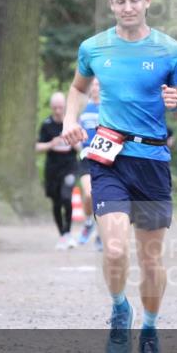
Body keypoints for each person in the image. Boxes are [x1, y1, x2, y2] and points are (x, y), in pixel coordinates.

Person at [61, 0, 177, 353]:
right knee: (116, 249)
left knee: (151, 258)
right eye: (120, 1)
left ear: (148, 1)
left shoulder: (171, 50)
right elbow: (78, 88)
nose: (128, 7)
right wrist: (71, 119)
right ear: (111, 5)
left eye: (134, 0)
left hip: (152, 162)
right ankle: (120, 308)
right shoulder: (94, 47)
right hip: (108, 157)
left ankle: (150, 331)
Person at [36, 92, 81, 250]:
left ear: (65, 107)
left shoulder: (72, 124)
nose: (57, 111)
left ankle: (68, 233)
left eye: (60, 107)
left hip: (69, 166)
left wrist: (74, 143)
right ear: (51, 108)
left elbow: (82, 146)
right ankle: (62, 234)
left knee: (66, 196)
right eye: (55, 108)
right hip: (52, 168)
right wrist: (51, 144)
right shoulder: (46, 124)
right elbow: (37, 146)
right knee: (56, 201)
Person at [76, 78, 102, 251]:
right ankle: (87, 223)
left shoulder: (109, 107)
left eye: (98, 84)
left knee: (103, 198)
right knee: (88, 194)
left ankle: (101, 234)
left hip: (104, 157)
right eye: (92, 85)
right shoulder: (83, 108)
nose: (95, 88)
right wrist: (78, 145)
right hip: (86, 156)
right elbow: (76, 130)